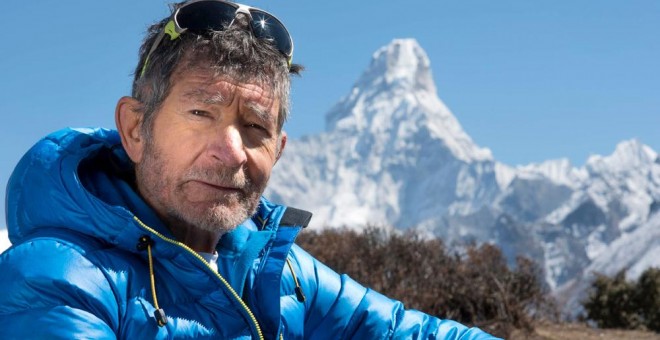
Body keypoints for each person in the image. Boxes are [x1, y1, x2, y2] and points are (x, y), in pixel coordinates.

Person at [0, 1, 499, 339]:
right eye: (201, 113)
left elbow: (400, 330)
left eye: (256, 126)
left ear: (279, 149)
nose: (232, 151)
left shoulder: (272, 267)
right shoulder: (56, 279)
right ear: (135, 128)